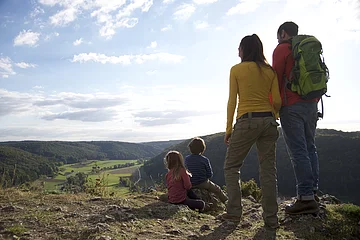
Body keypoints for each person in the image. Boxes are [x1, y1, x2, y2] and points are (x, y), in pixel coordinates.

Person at [222, 34, 282, 229]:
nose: (237, 51)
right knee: (268, 171)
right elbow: (277, 100)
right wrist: (274, 115)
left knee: (231, 167)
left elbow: (232, 102)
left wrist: (228, 129)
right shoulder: (270, 71)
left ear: (244, 50)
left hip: (246, 121)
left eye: (239, 48)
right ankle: (271, 220)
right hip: (269, 121)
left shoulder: (236, 70)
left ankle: (233, 213)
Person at [272, 21, 320, 214]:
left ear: (283, 33)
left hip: (291, 105)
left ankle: (305, 197)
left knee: (298, 151)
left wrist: (273, 107)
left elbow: (275, 78)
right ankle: (313, 192)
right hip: (312, 102)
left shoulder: (282, 49)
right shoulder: (307, 47)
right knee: (310, 147)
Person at [185, 137, 228, 203]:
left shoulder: (187, 159)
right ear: (202, 148)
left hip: (190, 183)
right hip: (203, 183)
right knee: (218, 190)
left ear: (190, 148)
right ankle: (227, 202)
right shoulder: (204, 159)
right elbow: (210, 174)